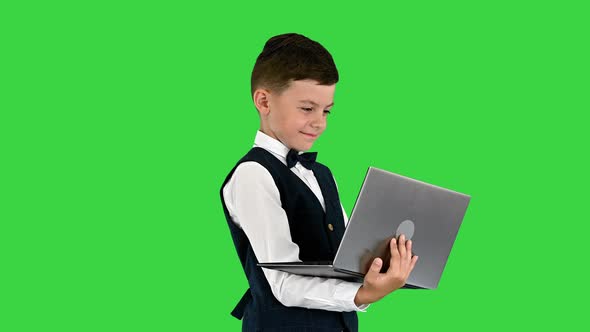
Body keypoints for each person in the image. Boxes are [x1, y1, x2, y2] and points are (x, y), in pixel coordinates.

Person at [220, 32, 418, 332]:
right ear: (263, 101)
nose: (320, 123)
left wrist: (381, 266)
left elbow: (345, 261)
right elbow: (283, 283)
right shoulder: (253, 174)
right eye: (307, 108)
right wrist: (363, 294)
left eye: (327, 111)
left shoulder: (322, 174)